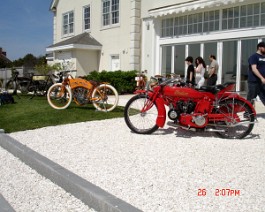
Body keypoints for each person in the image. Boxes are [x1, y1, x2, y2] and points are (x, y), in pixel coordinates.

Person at [247, 41, 265, 106]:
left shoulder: (264, 57)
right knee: (251, 98)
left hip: (262, 82)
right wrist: (262, 78)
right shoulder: (254, 57)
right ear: (260, 47)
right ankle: (247, 113)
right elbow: (254, 69)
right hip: (254, 82)